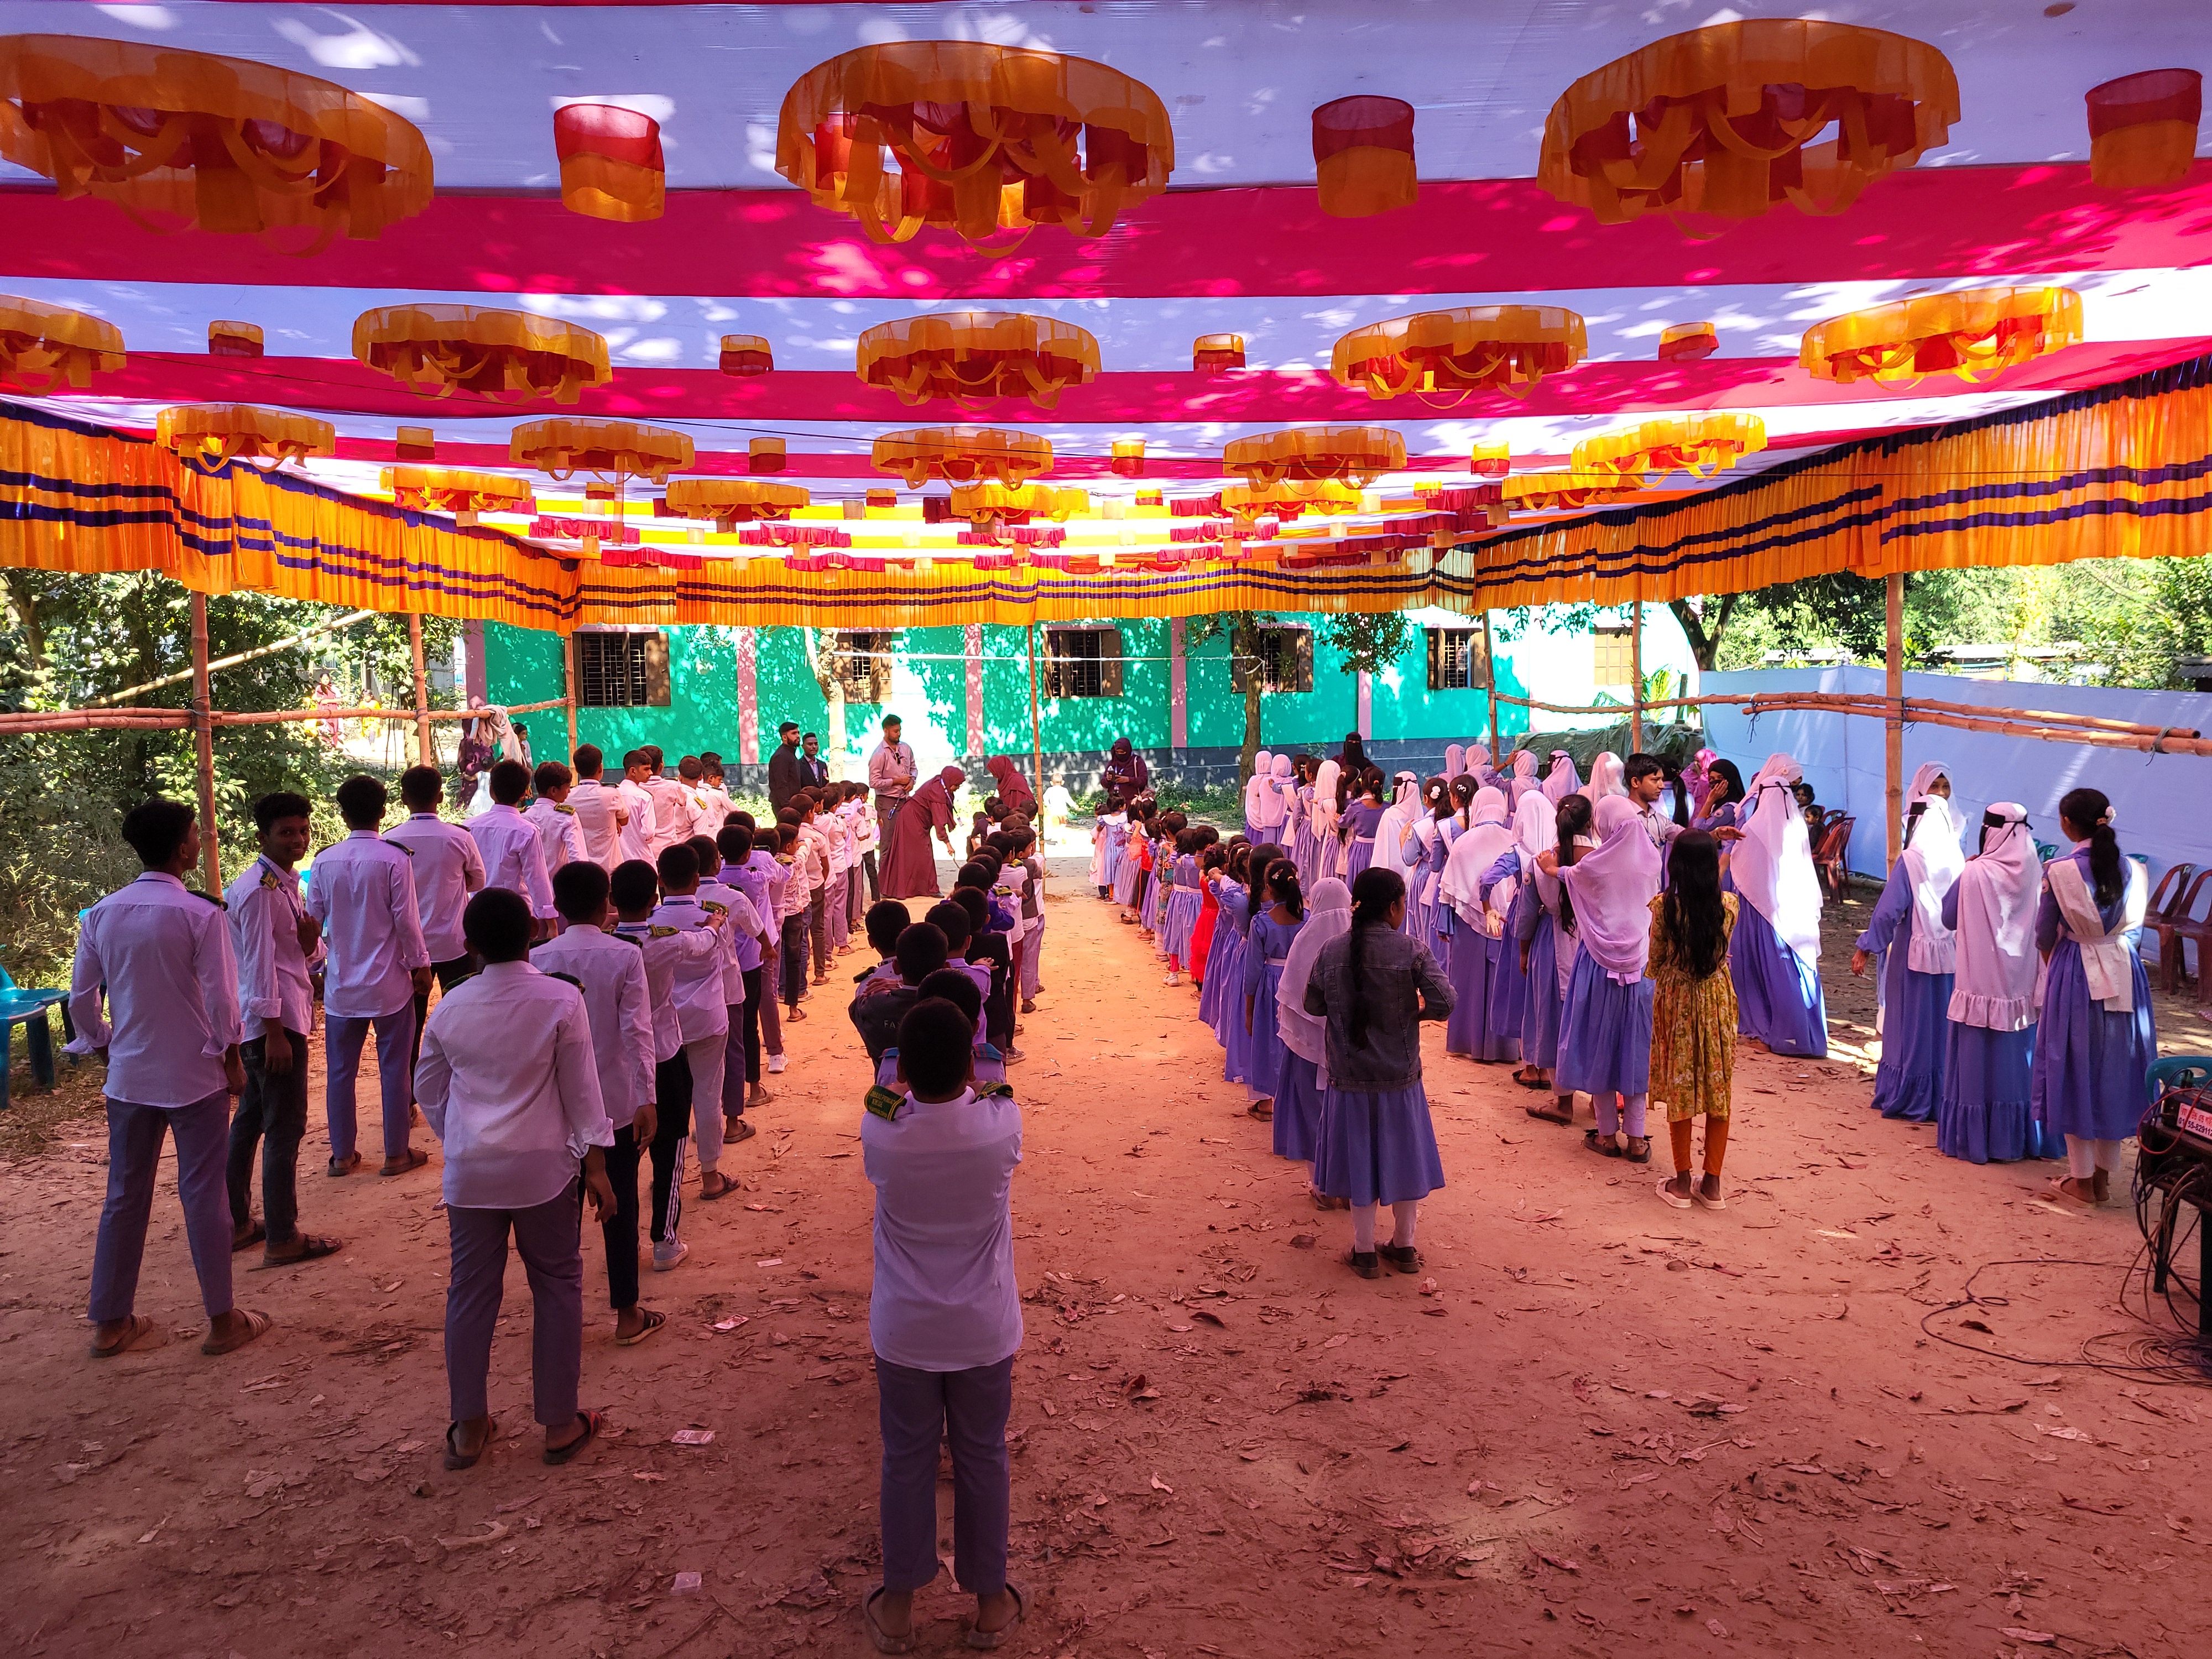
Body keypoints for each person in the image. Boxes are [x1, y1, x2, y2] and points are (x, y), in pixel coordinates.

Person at [416, 888, 615, 1469]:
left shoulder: (450, 1006)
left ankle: (469, 1427)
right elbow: (582, 1089)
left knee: (470, 1292)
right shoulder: (560, 999)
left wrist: (460, 1136)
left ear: (468, 944)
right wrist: (596, 1165)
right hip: (543, 1167)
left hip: (472, 1171)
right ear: (533, 931)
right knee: (556, 1284)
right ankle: (558, 1422)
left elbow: (428, 1088)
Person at [72, 797, 270, 1359]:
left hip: (130, 1076)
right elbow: (222, 999)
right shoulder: (201, 914)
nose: (199, 840)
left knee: (124, 1194)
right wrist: (230, 1056)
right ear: (183, 847)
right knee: (203, 1193)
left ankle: (110, 1322)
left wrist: (103, 1042)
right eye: (195, 833)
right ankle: (222, 1320)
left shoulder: (101, 914)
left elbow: (81, 998)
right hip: (193, 1074)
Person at [860, 995, 1026, 1652]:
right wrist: (974, 1073)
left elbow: (884, 1095)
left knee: (906, 1458)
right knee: (983, 1455)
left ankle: (899, 1608)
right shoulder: (1000, 1126)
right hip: (983, 1326)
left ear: (903, 1069)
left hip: (905, 1328)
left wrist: (901, 1074)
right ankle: (990, 1604)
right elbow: (992, 1087)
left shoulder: (882, 1130)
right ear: (968, 1066)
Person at [532, 861, 662, 1346]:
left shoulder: (537, 958)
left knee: (557, 1214)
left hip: (557, 1103)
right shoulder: (624, 954)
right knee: (621, 1204)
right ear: (606, 902)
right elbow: (637, 1029)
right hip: (615, 1100)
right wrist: (647, 1095)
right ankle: (627, 1312)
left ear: (557, 906)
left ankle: (559, 1317)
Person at [1304, 868, 1453, 1279]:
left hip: (1349, 1077)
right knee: (1403, 1158)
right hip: (1400, 1077)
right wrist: (1412, 1014)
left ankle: (1364, 1250)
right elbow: (1445, 1001)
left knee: (1359, 1162)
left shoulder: (1332, 950)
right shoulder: (1412, 950)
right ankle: (1404, 1245)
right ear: (1392, 907)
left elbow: (1313, 1004)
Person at [223, 791, 340, 1267]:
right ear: (262, 837)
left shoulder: (286, 884)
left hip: (283, 1014)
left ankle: (235, 1222)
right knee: (284, 1128)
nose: (298, 839)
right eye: (286, 832)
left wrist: (312, 946)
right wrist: (273, 1030)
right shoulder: (258, 891)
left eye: (303, 830)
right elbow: (256, 965)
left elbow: (301, 953)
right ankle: (283, 1236)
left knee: (251, 1121)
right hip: (273, 1024)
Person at [2032, 787, 2156, 1206]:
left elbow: (2044, 934)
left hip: (2075, 971)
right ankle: (2103, 1176)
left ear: (2067, 824)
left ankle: (2081, 1178)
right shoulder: (2135, 870)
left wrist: (2056, 966)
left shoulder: (2058, 871)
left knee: (2072, 1066)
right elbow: (2134, 933)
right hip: (2124, 971)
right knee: (2114, 1068)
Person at [310, 774, 434, 1178]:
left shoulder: (324, 861)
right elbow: (407, 921)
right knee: (394, 1068)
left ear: (343, 814)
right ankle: (396, 1153)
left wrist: (314, 968)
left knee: (340, 1073)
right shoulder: (395, 859)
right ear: (383, 812)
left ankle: (342, 1155)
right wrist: (420, 964)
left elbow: (312, 923)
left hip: (341, 984)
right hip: (389, 984)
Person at [1550, 795, 1663, 1162]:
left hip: (1598, 965)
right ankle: (1638, 1139)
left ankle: (1606, 1136)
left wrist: (1553, 869)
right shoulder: (1652, 860)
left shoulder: (1596, 863)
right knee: (1635, 1049)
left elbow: (1572, 876)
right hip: (1642, 968)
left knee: (1599, 1047)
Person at [1852, 764, 1964, 1123]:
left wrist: (1866, 945)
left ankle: (1908, 1094)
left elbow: (1889, 911)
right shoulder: (1959, 859)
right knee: (1942, 1025)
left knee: (1910, 1026)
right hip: (1951, 953)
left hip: (1911, 951)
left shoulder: (1911, 860)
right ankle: (1942, 1094)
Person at [1939, 803, 2048, 1165]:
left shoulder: (1975, 872)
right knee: (2018, 1064)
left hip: (1979, 982)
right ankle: (2020, 1138)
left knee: (1977, 1064)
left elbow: (1949, 917)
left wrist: (1967, 873)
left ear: (1989, 832)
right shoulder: (2037, 870)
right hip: (2021, 984)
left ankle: (1977, 1139)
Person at [1650, 831, 1741, 1209]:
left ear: (1676, 866)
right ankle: (1713, 1184)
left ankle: (1682, 1181)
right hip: (1717, 998)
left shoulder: (1664, 908)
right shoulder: (1729, 905)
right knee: (1719, 1087)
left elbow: (1655, 961)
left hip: (1678, 999)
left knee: (1681, 1085)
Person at [386, 765, 487, 1082]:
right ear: (441, 797)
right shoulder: (459, 837)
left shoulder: (389, 841)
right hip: (455, 942)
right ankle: (464, 1082)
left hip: (408, 950)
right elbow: (478, 881)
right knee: (463, 1016)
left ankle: (408, 1093)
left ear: (404, 799)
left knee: (410, 1025)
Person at [650, 843, 739, 1200]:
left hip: (663, 1021)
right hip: (707, 1017)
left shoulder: (651, 922)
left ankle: (664, 1174)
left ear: (660, 879)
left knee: (664, 1099)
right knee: (707, 1092)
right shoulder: (713, 917)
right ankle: (710, 1175)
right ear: (696, 879)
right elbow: (726, 957)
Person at [1727, 753, 1829, 1058]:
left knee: (1759, 971)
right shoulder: (1796, 826)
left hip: (1758, 911)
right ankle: (1799, 1032)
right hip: (1790, 912)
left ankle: (1764, 1028)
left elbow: (1740, 868)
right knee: (1789, 972)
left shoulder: (1753, 827)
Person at [1274, 875, 1351, 1208]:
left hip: (1307, 1048)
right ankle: (1350, 1186)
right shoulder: (1358, 941)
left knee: (1312, 1114)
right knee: (1349, 1118)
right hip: (1352, 1053)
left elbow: (1291, 996)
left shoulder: (1304, 941)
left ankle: (1321, 1185)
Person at [1438, 785, 1516, 1061]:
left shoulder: (1464, 842)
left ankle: (1467, 1041)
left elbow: (1448, 889)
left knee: (1467, 982)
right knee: (1502, 982)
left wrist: (1444, 924)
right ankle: (1504, 1047)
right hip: (1507, 921)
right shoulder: (1513, 839)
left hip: (1467, 922)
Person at [1242, 857, 1305, 1121]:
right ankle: (1297, 1099)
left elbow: (1253, 971)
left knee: (1269, 1041)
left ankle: (1268, 1101)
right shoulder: (1308, 920)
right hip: (1299, 984)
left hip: (1270, 986)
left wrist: (1249, 1012)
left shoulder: (1261, 923)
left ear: (1268, 888)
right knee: (1298, 1040)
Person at [466, 758, 557, 935]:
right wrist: (551, 924)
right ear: (524, 794)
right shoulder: (526, 831)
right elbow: (537, 878)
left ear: (491, 790)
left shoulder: (469, 827)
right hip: (516, 914)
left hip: (477, 914)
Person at [851, 922, 951, 1063]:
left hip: (887, 1076)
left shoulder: (873, 1004)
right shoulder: (954, 1004)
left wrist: (899, 985)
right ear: (946, 967)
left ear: (896, 967)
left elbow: (856, 1010)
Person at [880, 764, 963, 901]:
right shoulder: (938, 793)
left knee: (919, 854)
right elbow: (939, 823)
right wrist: (948, 844)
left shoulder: (940, 784)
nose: (958, 788)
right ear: (949, 782)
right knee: (922, 853)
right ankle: (926, 888)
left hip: (918, 819)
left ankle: (917, 887)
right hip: (912, 819)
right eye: (956, 785)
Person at [565, 744, 629, 871]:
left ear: (576, 770)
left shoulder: (568, 797)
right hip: (610, 867)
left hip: (579, 866)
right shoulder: (612, 794)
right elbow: (624, 820)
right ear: (601, 767)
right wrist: (614, 820)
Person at [525, 760, 588, 874]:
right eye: (567, 787)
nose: (569, 791)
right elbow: (577, 857)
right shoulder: (566, 817)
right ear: (554, 790)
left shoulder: (524, 817)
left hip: (530, 885)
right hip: (560, 884)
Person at [1339, 771, 1389, 886]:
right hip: (1381, 848)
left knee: (1360, 880)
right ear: (1381, 786)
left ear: (1362, 784)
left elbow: (1343, 823)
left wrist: (1338, 819)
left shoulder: (1355, 807)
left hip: (1360, 850)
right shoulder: (1388, 807)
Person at [869, 714, 918, 831]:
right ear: (886, 731)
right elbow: (874, 782)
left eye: (900, 730)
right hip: (887, 801)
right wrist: (897, 781)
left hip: (905, 799)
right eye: (895, 731)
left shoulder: (906, 748)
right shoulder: (879, 754)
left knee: (906, 835)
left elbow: (914, 768)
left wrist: (912, 781)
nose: (899, 734)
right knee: (888, 837)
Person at [1099, 736, 1148, 813]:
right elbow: (1104, 783)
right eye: (1117, 752)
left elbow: (1144, 780)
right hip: (1114, 803)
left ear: (1128, 751)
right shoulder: (1113, 763)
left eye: (1123, 752)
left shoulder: (1137, 761)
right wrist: (1108, 779)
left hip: (1132, 803)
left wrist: (1128, 780)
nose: (1120, 754)